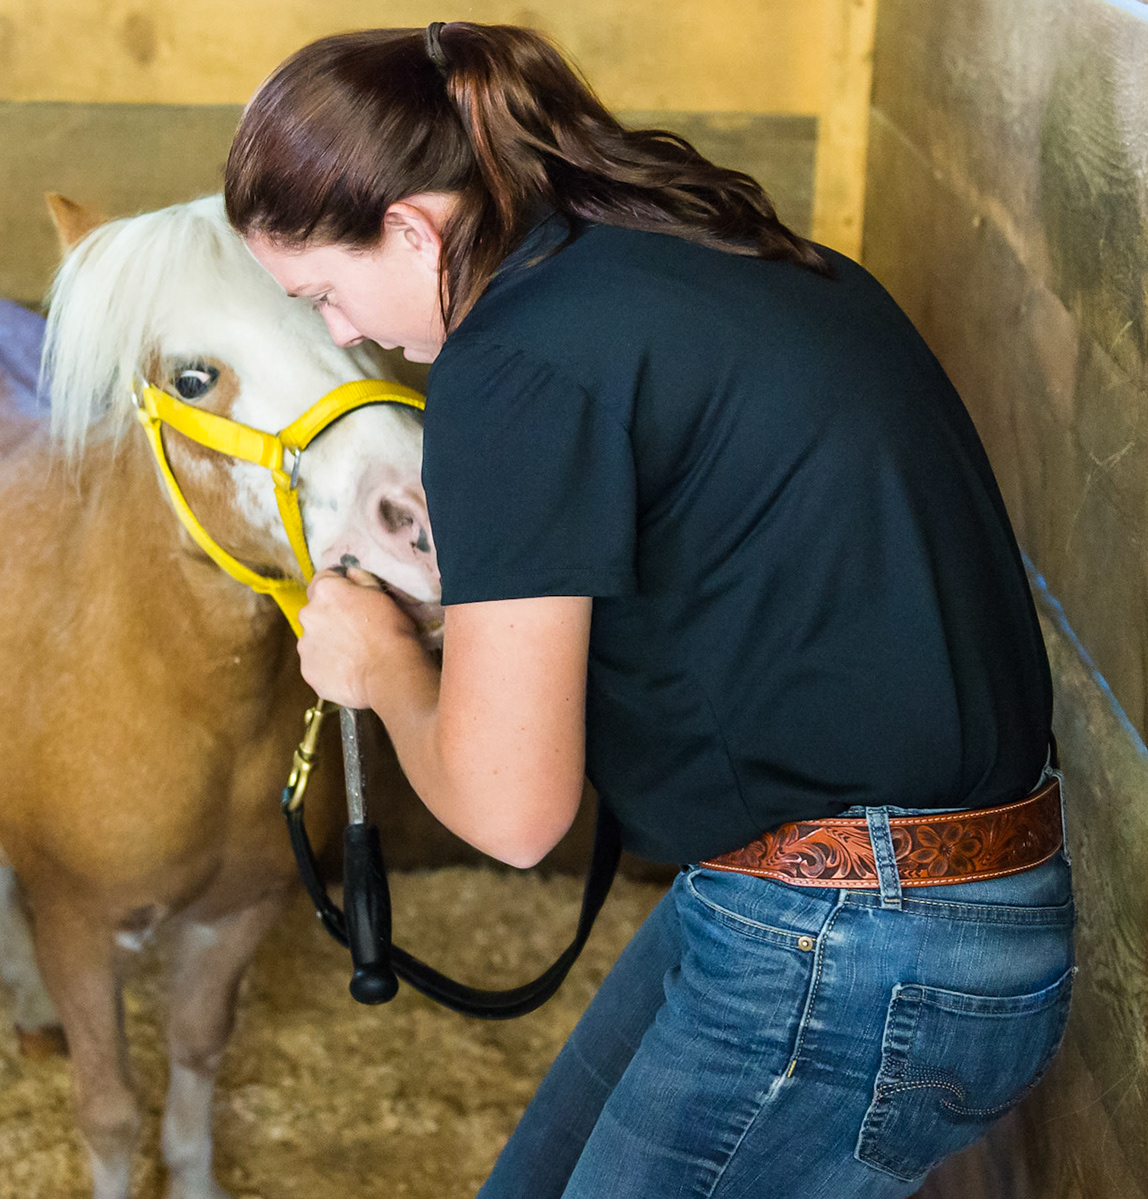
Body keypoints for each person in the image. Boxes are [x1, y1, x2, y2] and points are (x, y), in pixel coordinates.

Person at [224, 22, 1075, 1199]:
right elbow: (724, 582)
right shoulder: (693, 250)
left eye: (325, 290)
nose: (343, 332)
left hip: (858, 939)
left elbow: (515, 815)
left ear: (414, 227)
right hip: (900, 902)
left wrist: (382, 669)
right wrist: (447, 634)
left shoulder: (506, 363)